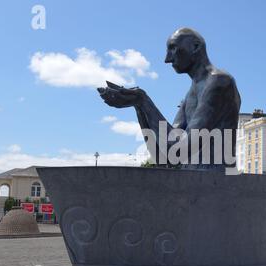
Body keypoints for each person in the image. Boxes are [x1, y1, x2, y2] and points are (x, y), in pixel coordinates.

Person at [98, 28, 241, 170]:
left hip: (216, 184)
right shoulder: (191, 92)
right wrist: (139, 106)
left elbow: (178, 151)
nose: (168, 59)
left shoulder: (219, 82)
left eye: (173, 48)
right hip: (193, 182)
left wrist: (144, 101)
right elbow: (163, 156)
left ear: (195, 47)